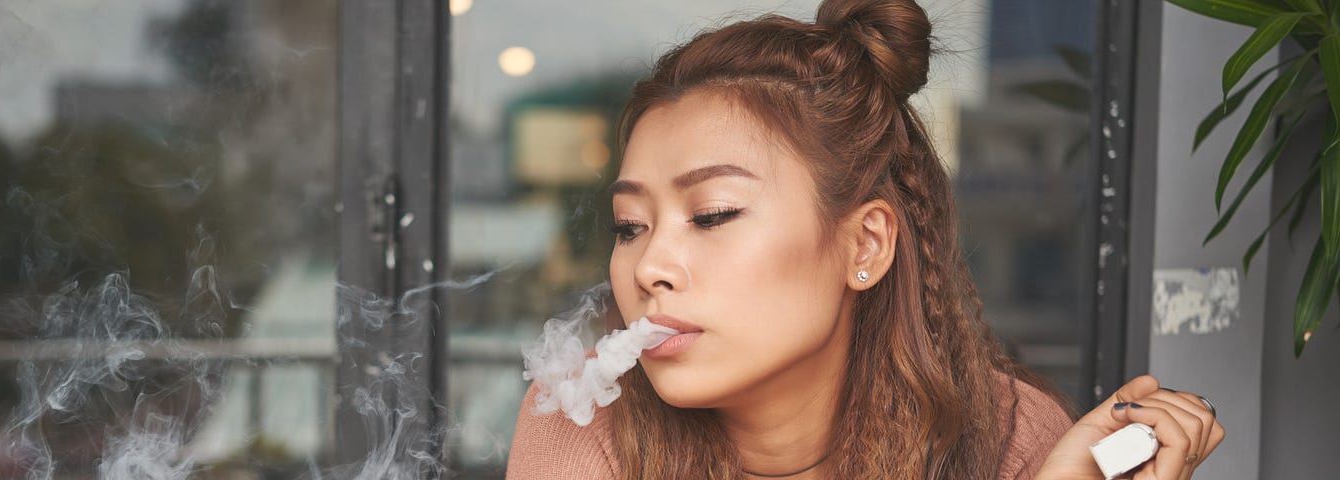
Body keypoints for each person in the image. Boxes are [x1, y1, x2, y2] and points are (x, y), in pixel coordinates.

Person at [505, 0, 1225, 478]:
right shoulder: (586, 423)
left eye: (714, 214)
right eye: (630, 226)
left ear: (866, 245)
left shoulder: (1006, 438)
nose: (650, 264)